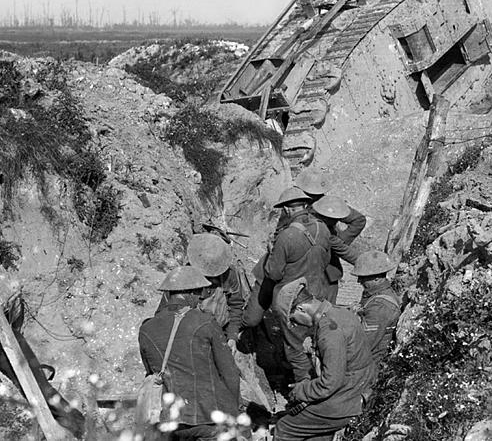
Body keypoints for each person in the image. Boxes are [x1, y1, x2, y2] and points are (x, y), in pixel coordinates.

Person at [253, 187, 358, 383]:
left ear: (286, 210)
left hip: (292, 299)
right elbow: (328, 258)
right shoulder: (323, 229)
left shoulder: (286, 236)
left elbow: (273, 273)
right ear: (306, 205)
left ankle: (302, 387)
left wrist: (270, 254)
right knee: (317, 340)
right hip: (317, 295)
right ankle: (322, 376)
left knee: (295, 346)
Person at [139, 266, 239, 440]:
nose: (201, 299)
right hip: (208, 419)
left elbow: (151, 373)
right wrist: (235, 414)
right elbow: (229, 374)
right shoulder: (205, 322)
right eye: (200, 293)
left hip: (170, 421)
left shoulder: (146, 329)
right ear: (191, 293)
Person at [272, 277, 374, 441]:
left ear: (301, 309)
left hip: (346, 400)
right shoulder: (338, 312)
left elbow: (329, 383)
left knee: (285, 428)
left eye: (293, 318)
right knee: (317, 434)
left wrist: (301, 390)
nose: (295, 324)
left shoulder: (329, 332)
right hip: (356, 390)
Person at [297, 170, 367, 302]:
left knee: (327, 310)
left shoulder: (330, 205)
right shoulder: (294, 206)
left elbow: (358, 220)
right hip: (304, 271)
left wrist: (335, 244)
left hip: (328, 271)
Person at [185, 233, 247, 353]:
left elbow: (236, 306)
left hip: (219, 332)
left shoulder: (230, 276)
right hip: (190, 336)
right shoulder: (184, 277)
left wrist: (232, 337)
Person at [352, 250, 401, 370]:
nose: (359, 281)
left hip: (370, 366)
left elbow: (363, 345)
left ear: (377, 278)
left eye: (363, 278)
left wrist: (351, 319)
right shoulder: (374, 294)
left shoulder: (380, 307)